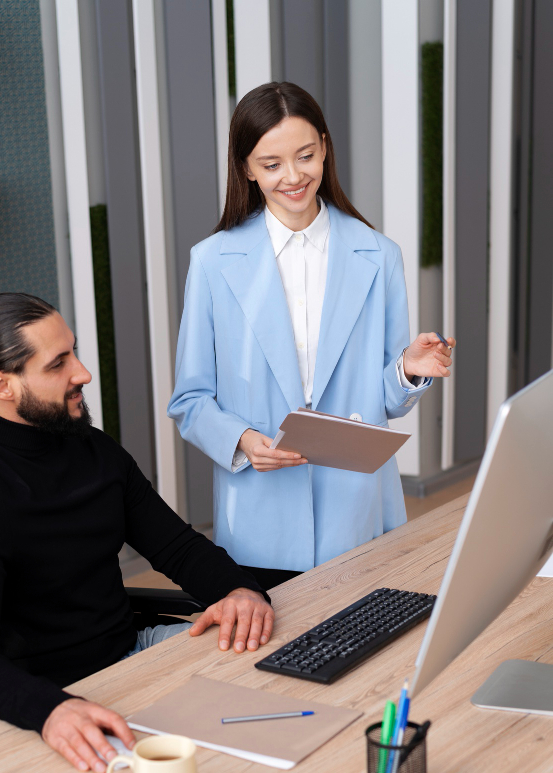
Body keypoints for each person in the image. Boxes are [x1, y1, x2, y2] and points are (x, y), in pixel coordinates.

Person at [0, 292, 273, 773]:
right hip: (43, 698)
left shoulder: (94, 451)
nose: (83, 374)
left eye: (75, 352)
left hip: (130, 655)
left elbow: (176, 546)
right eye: (58, 364)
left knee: (276, 670)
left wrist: (239, 591)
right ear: (0, 385)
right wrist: (49, 710)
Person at [168, 82, 455, 591]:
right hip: (261, 512)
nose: (294, 176)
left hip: (358, 508)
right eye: (272, 163)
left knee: (368, 653)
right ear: (247, 168)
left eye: (306, 156)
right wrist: (240, 441)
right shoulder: (211, 262)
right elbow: (191, 399)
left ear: (324, 147)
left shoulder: (378, 254)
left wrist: (407, 370)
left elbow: (386, 401)